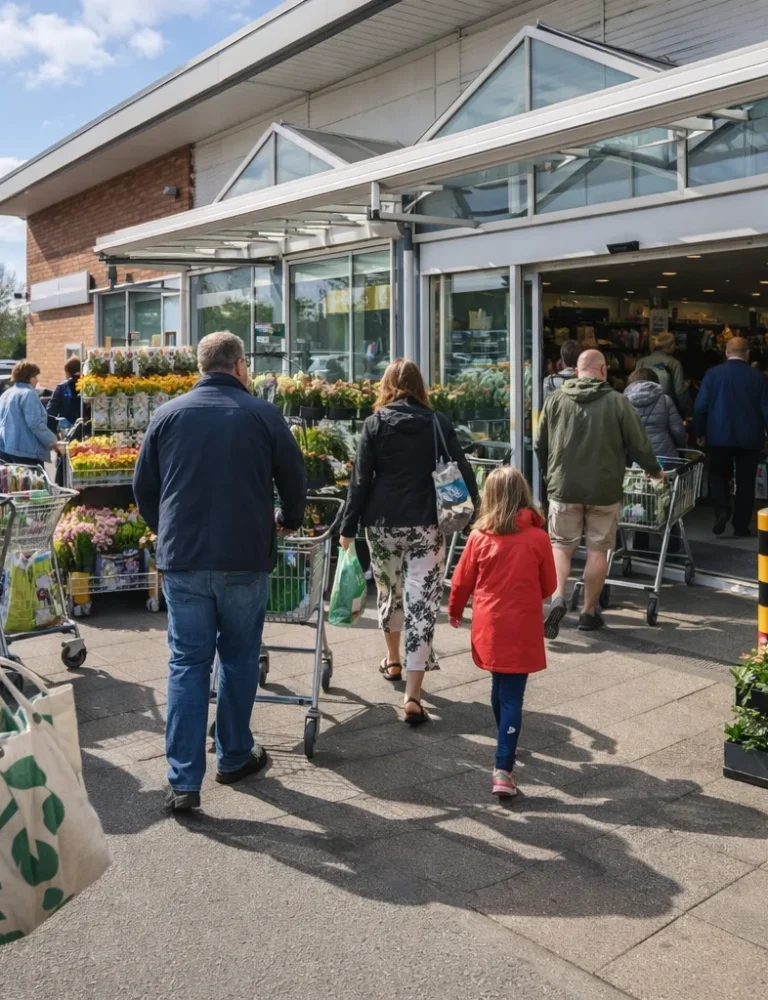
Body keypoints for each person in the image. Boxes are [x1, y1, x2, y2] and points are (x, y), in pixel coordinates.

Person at [133, 332, 306, 812]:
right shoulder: (263, 415)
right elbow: (295, 480)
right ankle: (233, 755)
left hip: (183, 558)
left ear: (201, 365)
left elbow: (144, 486)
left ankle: (184, 781)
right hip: (244, 557)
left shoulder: (168, 415)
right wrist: (289, 521)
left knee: (187, 664)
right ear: (238, 365)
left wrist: (165, 529)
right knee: (238, 657)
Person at [339, 358, 478, 725]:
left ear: (386, 385)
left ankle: (394, 660)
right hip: (427, 525)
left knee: (390, 592)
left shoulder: (375, 423)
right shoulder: (436, 422)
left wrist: (348, 527)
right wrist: (473, 512)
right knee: (423, 604)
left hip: (382, 524)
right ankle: (413, 696)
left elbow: (360, 480)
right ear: (420, 387)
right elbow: (462, 467)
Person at [535, 349, 662, 635]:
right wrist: (654, 470)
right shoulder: (618, 402)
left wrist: (549, 474)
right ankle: (589, 613)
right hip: (604, 490)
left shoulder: (555, 400)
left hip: (564, 487)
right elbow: (639, 443)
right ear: (603, 370)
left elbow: (539, 443)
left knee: (561, 547)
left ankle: (557, 599)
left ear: (577, 371)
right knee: (597, 550)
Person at [448, 466, 556, 798]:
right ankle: (503, 768)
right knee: (511, 696)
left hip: (489, 624)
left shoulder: (479, 538)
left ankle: (504, 746)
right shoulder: (538, 537)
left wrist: (454, 611)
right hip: (521, 626)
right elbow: (548, 585)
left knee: (498, 689)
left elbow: (461, 581)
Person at [694, 336, 768, 538]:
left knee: (717, 476)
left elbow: (700, 406)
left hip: (718, 435)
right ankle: (741, 526)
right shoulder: (758, 377)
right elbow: (766, 411)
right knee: (746, 483)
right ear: (747, 353)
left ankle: (722, 509)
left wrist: (699, 432)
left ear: (726, 353)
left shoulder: (712, 374)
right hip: (749, 438)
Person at [0, 361, 64, 466]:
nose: (37, 380)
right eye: (35, 376)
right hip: (26, 451)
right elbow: (36, 424)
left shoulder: (6, 393)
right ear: (28, 377)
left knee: (12, 481)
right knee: (34, 481)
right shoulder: (28, 394)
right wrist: (53, 442)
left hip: (5, 449)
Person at [624, 368, 687, 457]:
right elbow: (678, 430)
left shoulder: (624, 403)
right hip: (666, 457)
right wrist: (682, 449)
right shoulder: (665, 400)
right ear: (655, 382)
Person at [636, 333, 693, 417]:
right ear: (670, 346)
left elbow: (634, 387)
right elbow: (680, 391)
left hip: (643, 409)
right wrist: (690, 410)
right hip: (666, 410)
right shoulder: (674, 363)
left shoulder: (641, 362)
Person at [47, 356, 82, 432]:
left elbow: (50, 413)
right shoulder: (90, 385)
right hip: (87, 428)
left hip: (67, 431)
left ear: (67, 373)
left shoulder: (61, 388)